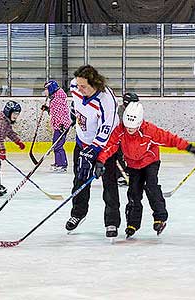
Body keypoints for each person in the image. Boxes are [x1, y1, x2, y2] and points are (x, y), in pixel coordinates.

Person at [96, 102, 195, 238]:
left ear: (140, 122)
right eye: (128, 127)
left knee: (151, 186)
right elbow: (110, 146)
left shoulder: (149, 130)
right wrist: (100, 161)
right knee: (134, 193)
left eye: (133, 127)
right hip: (133, 164)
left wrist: (188, 147)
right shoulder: (120, 131)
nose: (130, 130)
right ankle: (132, 223)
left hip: (150, 162)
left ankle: (160, 218)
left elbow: (169, 139)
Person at [67, 65, 121, 238]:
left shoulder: (107, 101)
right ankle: (78, 213)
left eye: (84, 86)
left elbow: (106, 129)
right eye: (78, 85)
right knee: (80, 179)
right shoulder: (75, 86)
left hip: (105, 147)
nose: (79, 88)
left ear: (95, 84)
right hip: (82, 142)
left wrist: (93, 153)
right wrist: (74, 114)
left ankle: (112, 221)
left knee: (109, 183)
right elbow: (76, 104)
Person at [41, 80, 71, 173]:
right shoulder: (54, 98)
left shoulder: (57, 100)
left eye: (46, 89)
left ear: (51, 89)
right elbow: (55, 112)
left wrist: (61, 125)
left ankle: (62, 165)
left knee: (58, 145)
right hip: (59, 126)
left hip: (61, 126)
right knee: (56, 144)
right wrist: (47, 109)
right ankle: (59, 162)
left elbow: (61, 113)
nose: (45, 91)